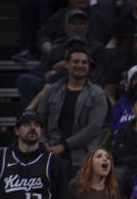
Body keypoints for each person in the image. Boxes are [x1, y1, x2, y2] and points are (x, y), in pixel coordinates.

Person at [34, 45, 108, 175]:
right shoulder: (51, 90)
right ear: (67, 64)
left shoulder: (98, 94)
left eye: (84, 62)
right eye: (76, 61)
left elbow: (94, 127)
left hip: (83, 158)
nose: (80, 65)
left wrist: (64, 146)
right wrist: (44, 142)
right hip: (50, 154)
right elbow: (39, 119)